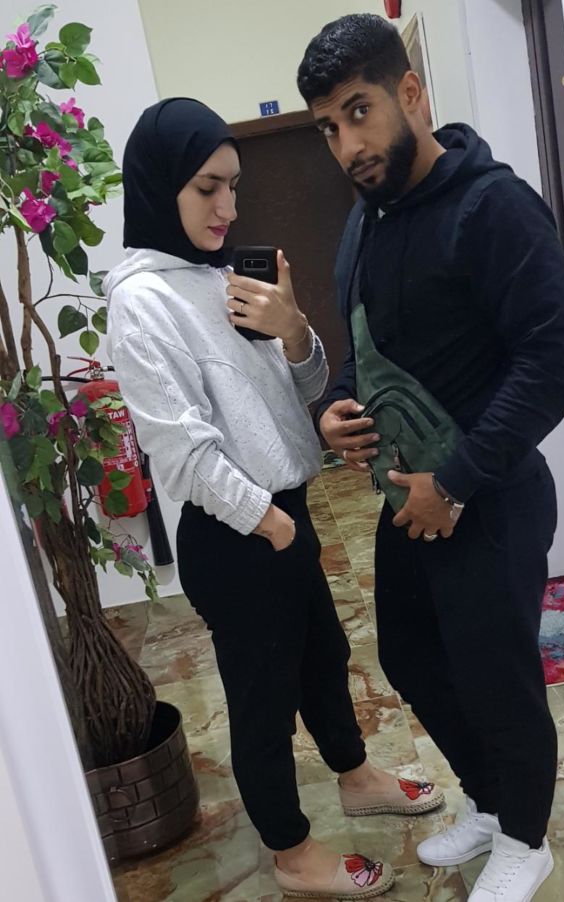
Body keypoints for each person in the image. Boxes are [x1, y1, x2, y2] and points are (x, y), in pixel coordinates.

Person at [105, 98, 445, 900]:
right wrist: (269, 522)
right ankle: (291, 854)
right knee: (263, 701)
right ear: (159, 185)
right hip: (238, 532)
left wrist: (294, 330)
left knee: (323, 659)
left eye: (233, 186)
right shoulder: (142, 301)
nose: (227, 207)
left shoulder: (221, 276)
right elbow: (181, 447)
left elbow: (301, 391)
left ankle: (355, 775)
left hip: (284, 511)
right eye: (207, 188)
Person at [297, 15, 564, 902]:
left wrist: (455, 483)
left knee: (497, 675)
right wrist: (338, 404)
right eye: (328, 127)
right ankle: (493, 804)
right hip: (406, 503)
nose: (347, 145)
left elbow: (553, 357)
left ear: (411, 93)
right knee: (414, 659)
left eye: (359, 112)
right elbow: (365, 347)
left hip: (489, 497)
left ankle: (527, 839)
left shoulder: (493, 206)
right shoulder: (364, 225)